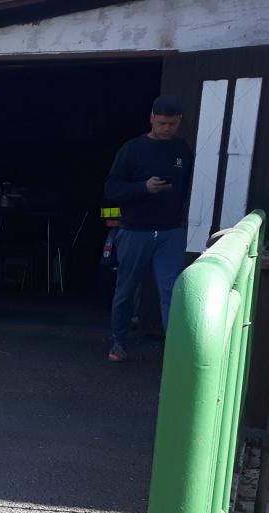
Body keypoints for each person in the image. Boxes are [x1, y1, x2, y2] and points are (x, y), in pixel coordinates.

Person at [103, 95, 194, 362]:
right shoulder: (132, 150)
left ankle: (174, 350)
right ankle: (118, 341)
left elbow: (187, 186)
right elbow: (111, 189)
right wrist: (144, 187)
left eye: (173, 124)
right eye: (163, 123)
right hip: (135, 230)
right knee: (126, 288)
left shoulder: (182, 150)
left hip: (170, 231)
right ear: (152, 117)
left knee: (173, 290)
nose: (167, 129)